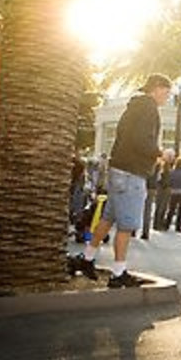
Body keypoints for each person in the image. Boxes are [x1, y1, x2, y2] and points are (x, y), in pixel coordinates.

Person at [70, 74, 172, 288]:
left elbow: (127, 136)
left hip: (119, 169)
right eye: (166, 91)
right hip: (131, 173)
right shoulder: (148, 108)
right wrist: (160, 152)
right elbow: (142, 140)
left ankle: (87, 258)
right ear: (156, 88)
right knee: (126, 225)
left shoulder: (133, 106)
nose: (168, 96)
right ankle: (118, 273)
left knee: (108, 218)